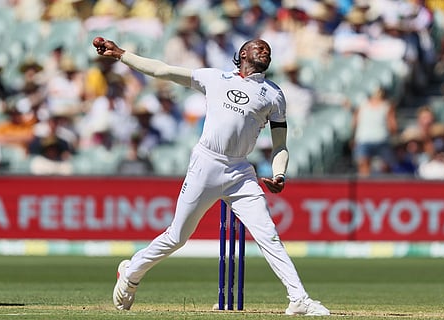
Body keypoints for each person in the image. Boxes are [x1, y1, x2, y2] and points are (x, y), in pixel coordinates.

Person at [93, 38, 330, 316]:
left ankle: (298, 298)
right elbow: (162, 70)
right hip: (206, 163)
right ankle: (131, 272)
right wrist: (122, 54)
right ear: (243, 53)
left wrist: (279, 173)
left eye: (268, 49)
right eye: (259, 47)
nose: (265, 51)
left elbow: (280, 145)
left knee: (269, 235)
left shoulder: (274, 95)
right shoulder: (214, 78)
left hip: (240, 171)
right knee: (177, 237)